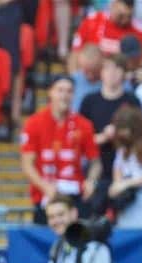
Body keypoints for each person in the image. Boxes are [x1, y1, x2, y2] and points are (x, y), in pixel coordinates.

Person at [20, 76, 102, 225]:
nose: (64, 95)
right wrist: (45, 187)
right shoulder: (34, 123)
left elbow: (95, 162)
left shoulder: (84, 124)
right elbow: (27, 164)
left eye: (69, 91)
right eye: (60, 90)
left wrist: (92, 181)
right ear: (50, 92)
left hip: (75, 197)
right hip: (45, 197)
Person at [79, 54, 142, 216]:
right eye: (107, 68)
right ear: (101, 72)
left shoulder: (132, 100)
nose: (112, 73)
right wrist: (103, 137)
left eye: (117, 68)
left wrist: (122, 134)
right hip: (97, 168)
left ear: (124, 73)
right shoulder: (89, 101)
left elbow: (141, 136)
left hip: (127, 169)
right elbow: (79, 139)